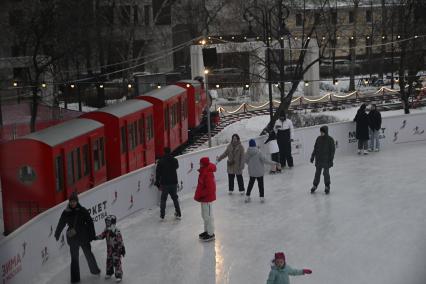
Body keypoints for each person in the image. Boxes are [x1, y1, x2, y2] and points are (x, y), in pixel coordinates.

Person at [54, 192, 101, 283]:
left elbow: (90, 222)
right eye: (71, 201)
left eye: (74, 201)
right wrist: (57, 233)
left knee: (88, 254)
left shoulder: (82, 210)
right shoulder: (66, 212)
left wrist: (92, 235)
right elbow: (61, 223)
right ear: (69, 202)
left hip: (83, 237)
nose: (72, 203)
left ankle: (95, 271)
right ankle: (75, 279)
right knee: (74, 258)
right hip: (73, 239)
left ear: (77, 201)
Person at [96, 215, 125, 282]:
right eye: (106, 222)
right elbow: (102, 236)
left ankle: (119, 275)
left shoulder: (117, 231)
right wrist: (95, 237)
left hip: (116, 250)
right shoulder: (106, 230)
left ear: (113, 223)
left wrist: (122, 248)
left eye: (108, 222)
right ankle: (109, 272)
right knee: (109, 261)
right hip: (109, 250)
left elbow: (120, 240)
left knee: (117, 262)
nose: (107, 224)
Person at [194, 157, 217, 242]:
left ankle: (211, 234)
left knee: (209, 216)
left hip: (207, 198)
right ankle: (207, 231)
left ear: (203, 164)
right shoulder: (204, 171)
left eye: (200, 163)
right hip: (203, 198)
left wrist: (201, 194)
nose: (199, 164)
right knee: (204, 215)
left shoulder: (208, 173)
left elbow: (210, 188)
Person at [155, 147, 181, 220]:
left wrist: (158, 183)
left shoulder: (160, 161)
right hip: (173, 182)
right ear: (170, 151)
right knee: (175, 198)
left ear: (164, 152)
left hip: (165, 183)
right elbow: (177, 167)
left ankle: (162, 215)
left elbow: (158, 173)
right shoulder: (175, 160)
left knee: (163, 199)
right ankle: (178, 213)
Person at [310, 126, 335, 194]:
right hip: (318, 159)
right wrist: (312, 156)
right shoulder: (318, 138)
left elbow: (332, 151)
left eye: (322, 132)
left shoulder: (330, 140)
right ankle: (315, 185)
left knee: (326, 173)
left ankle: (327, 186)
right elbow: (315, 148)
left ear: (325, 132)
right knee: (317, 173)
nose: (321, 133)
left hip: (326, 160)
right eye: (320, 132)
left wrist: (331, 160)